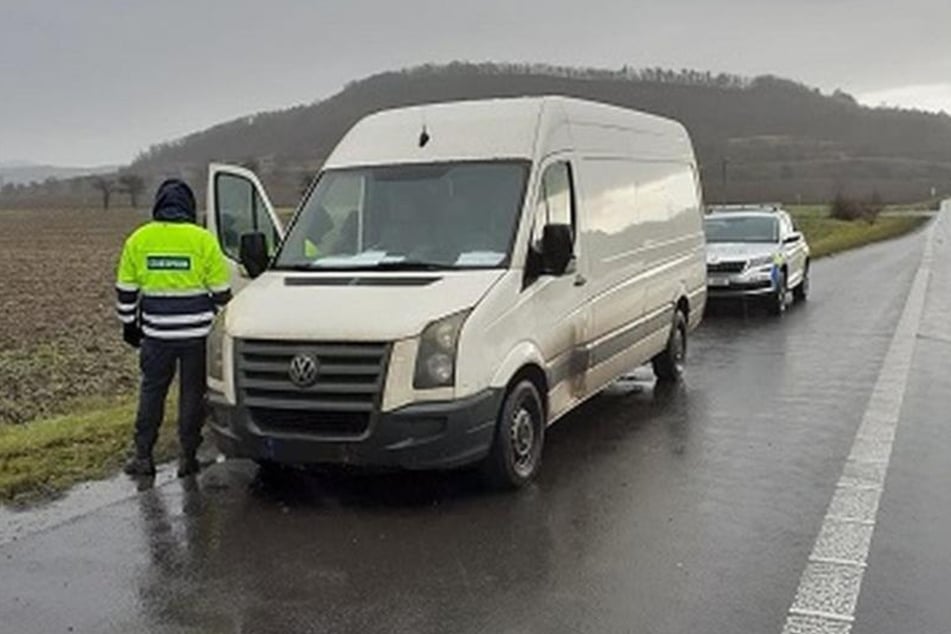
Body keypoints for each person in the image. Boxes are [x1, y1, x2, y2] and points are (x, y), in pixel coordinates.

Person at [115, 179, 231, 478]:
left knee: (152, 392)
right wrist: (218, 328)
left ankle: (143, 456)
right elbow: (221, 293)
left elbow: (126, 291)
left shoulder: (138, 239)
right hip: (196, 336)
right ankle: (188, 457)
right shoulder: (203, 239)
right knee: (192, 395)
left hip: (156, 336)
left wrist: (130, 325)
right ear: (189, 207)